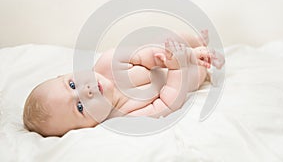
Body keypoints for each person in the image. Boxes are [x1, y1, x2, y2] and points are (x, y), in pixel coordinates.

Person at [23, 30, 225, 137]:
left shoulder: (107, 63)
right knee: (192, 77)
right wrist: (176, 69)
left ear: (66, 74)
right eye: (80, 107)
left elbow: (145, 55)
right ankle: (205, 64)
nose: (87, 91)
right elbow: (166, 104)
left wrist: (167, 58)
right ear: (86, 127)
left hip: (162, 59)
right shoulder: (122, 115)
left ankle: (196, 42)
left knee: (166, 39)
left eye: (72, 85)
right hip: (175, 77)